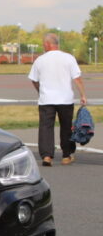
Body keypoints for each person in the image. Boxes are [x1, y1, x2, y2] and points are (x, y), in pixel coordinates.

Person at [28, 32, 87, 166]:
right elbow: (77, 78)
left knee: (46, 127)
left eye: (44, 44)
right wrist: (83, 94)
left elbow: (34, 80)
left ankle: (47, 156)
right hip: (65, 99)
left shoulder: (40, 60)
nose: (43, 46)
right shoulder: (68, 58)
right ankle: (66, 155)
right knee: (66, 127)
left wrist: (40, 91)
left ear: (48, 44)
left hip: (46, 100)